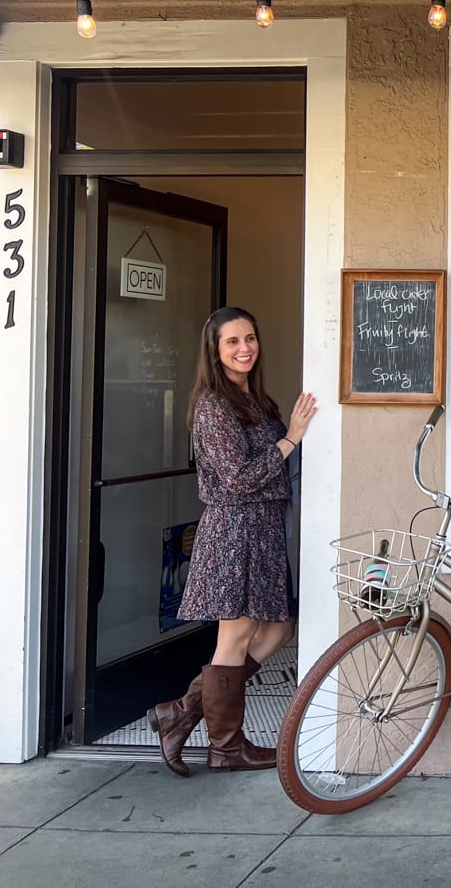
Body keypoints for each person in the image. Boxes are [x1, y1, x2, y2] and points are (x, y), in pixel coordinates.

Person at [148, 307, 318, 775]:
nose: (244, 348)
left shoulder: (254, 400)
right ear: (215, 350)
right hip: (235, 532)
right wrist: (292, 439)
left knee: (281, 629)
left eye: (250, 338)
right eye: (232, 342)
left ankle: (182, 711)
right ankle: (226, 748)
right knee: (236, 637)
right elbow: (240, 478)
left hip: (262, 532)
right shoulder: (213, 406)